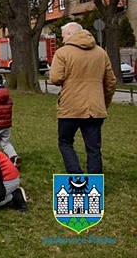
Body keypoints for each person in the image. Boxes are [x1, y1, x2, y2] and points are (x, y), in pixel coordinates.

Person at [49, 21, 116, 174]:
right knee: (94, 149)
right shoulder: (101, 52)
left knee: (65, 142)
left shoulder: (62, 53)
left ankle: (76, 176)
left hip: (70, 107)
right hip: (95, 108)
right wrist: (104, 102)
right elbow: (111, 82)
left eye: (64, 35)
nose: (63, 39)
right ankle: (94, 186)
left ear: (71, 34)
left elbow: (55, 79)